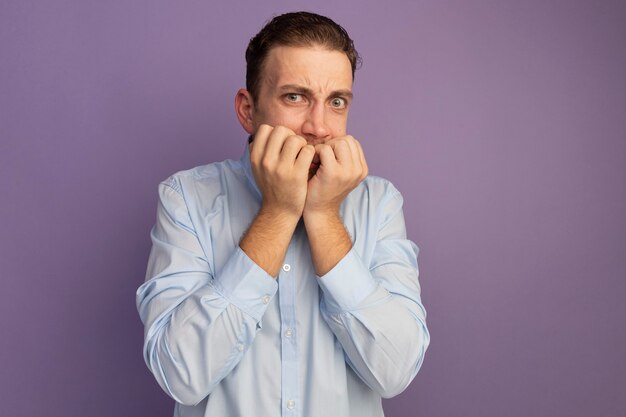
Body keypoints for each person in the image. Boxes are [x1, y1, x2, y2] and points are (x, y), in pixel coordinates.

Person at [136, 11, 429, 417]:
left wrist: (324, 216)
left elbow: (394, 372)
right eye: (295, 97)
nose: (319, 127)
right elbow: (180, 374)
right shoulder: (187, 198)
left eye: (336, 102)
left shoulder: (378, 204)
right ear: (247, 110)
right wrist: (276, 213)